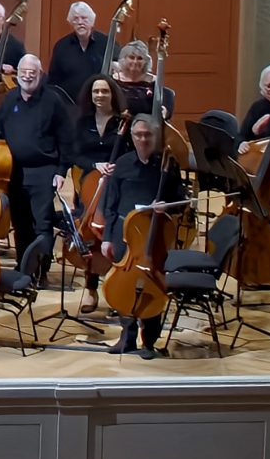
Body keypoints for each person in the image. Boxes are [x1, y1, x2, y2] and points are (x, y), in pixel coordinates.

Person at [99, 112, 188, 357]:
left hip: (154, 234)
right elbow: (110, 204)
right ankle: (126, 337)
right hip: (124, 233)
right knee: (123, 285)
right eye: (138, 135)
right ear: (132, 136)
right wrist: (106, 238)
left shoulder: (167, 165)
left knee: (152, 284)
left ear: (155, 136)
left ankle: (149, 340)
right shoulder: (123, 164)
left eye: (147, 135)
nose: (142, 139)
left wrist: (166, 206)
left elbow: (181, 201)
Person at [0, 54, 72, 257]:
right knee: (20, 223)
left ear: (40, 74)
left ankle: (41, 268)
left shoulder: (53, 100)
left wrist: (61, 170)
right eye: (24, 72)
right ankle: (23, 267)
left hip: (43, 171)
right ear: (17, 74)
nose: (27, 76)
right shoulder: (9, 99)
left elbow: (66, 138)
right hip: (14, 171)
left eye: (32, 72)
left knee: (42, 223)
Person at [50, 1, 111, 98]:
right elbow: (53, 81)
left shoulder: (106, 43)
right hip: (68, 103)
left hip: (98, 101)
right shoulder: (61, 46)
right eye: (75, 19)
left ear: (91, 21)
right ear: (71, 22)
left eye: (84, 18)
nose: (80, 22)